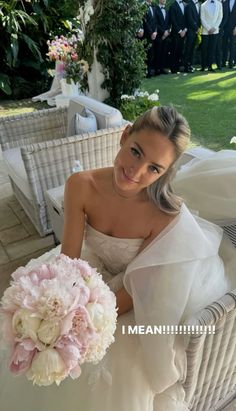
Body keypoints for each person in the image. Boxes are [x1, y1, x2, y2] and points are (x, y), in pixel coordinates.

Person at [0, 106, 235, 411]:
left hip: (145, 289)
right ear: (125, 136)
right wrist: (59, 309)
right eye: (136, 152)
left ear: (165, 173)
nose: (136, 172)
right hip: (94, 269)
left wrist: (81, 323)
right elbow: (69, 261)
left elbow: (140, 289)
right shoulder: (80, 185)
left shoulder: (164, 216)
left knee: (121, 365)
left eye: (154, 168)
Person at [200, 0, 223, 72]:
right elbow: (202, 18)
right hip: (205, 31)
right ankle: (203, 66)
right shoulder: (203, 5)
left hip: (215, 31)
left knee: (212, 49)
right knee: (204, 49)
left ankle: (210, 66)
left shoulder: (219, 4)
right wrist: (208, 28)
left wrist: (214, 27)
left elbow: (220, 17)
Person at [169, 0, 187, 73]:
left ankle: (179, 67)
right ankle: (173, 69)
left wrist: (185, 30)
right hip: (176, 33)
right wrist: (180, 31)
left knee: (181, 50)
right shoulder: (172, 6)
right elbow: (173, 20)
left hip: (184, 32)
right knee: (174, 51)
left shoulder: (185, 5)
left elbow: (187, 18)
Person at [154, 0, 171, 75]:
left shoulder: (167, 10)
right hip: (158, 36)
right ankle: (156, 69)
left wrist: (167, 31)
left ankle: (162, 68)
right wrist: (163, 32)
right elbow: (155, 23)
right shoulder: (155, 9)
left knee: (164, 52)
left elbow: (169, 23)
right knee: (158, 52)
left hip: (166, 35)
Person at [184, 0, 201, 72]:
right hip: (191, 31)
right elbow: (189, 19)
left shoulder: (199, 4)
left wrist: (199, 27)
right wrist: (197, 28)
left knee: (192, 50)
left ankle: (190, 65)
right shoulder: (188, 5)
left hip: (196, 31)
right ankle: (186, 67)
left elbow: (199, 18)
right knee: (188, 49)